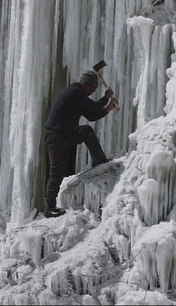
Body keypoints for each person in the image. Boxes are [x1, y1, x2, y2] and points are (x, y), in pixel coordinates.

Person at [42, 70, 119, 218]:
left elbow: (91, 115)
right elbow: (95, 107)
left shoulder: (78, 96)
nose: (91, 93)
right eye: (92, 89)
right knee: (57, 171)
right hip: (56, 137)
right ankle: (49, 207)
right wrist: (106, 97)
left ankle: (99, 161)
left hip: (65, 134)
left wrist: (108, 108)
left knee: (86, 131)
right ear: (86, 85)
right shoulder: (75, 92)